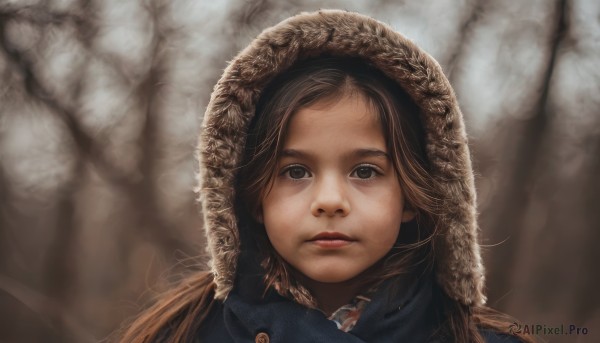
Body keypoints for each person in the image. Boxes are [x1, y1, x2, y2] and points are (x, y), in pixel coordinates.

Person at [117, 10, 534, 343]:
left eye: (365, 171)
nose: (330, 200)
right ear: (250, 198)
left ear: (410, 195)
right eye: (295, 171)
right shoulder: (179, 333)